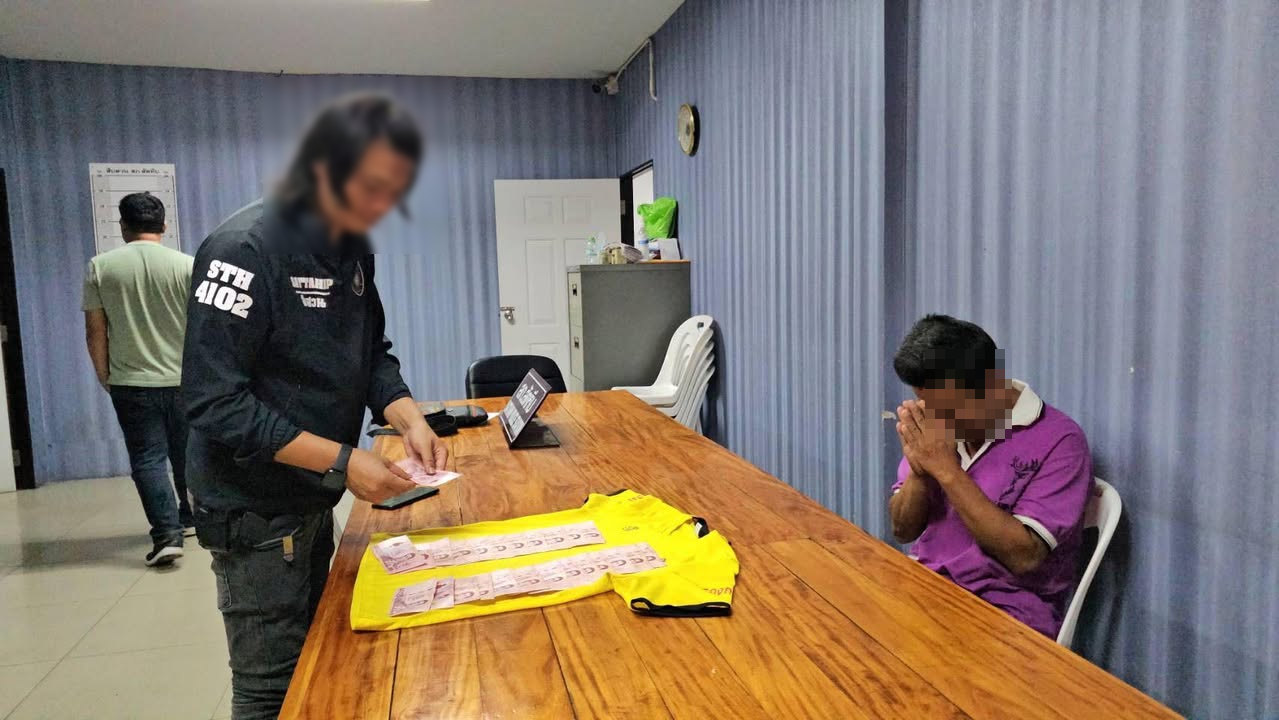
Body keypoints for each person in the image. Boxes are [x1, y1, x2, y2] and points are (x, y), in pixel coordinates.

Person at [182, 94, 449, 720]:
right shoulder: (243, 250)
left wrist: (409, 417)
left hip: (309, 494)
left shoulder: (352, 247)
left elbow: (370, 352)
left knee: (315, 655)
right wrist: (343, 461)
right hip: (252, 506)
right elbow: (215, 401)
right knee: (270, 687)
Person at [888, 314, 1092, 638]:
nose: (939, 422)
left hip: (1007, 614)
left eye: (949, 411)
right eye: (929, 407)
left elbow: (1024, 557)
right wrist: (919, 471)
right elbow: (902, 530)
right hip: (925, 587)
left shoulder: (1061, 441)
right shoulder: (937, 423)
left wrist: (946, 470)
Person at [82, 192, 195, 566]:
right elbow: (203, 327)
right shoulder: (188, 266)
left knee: (148, 459)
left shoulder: (101, 267)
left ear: (123, 226)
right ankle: (192, 518)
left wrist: (105, 375)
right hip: (184, 380)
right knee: (187, 453)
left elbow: (95, 331)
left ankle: (166, 536)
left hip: (131, 381)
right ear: (164, 225)